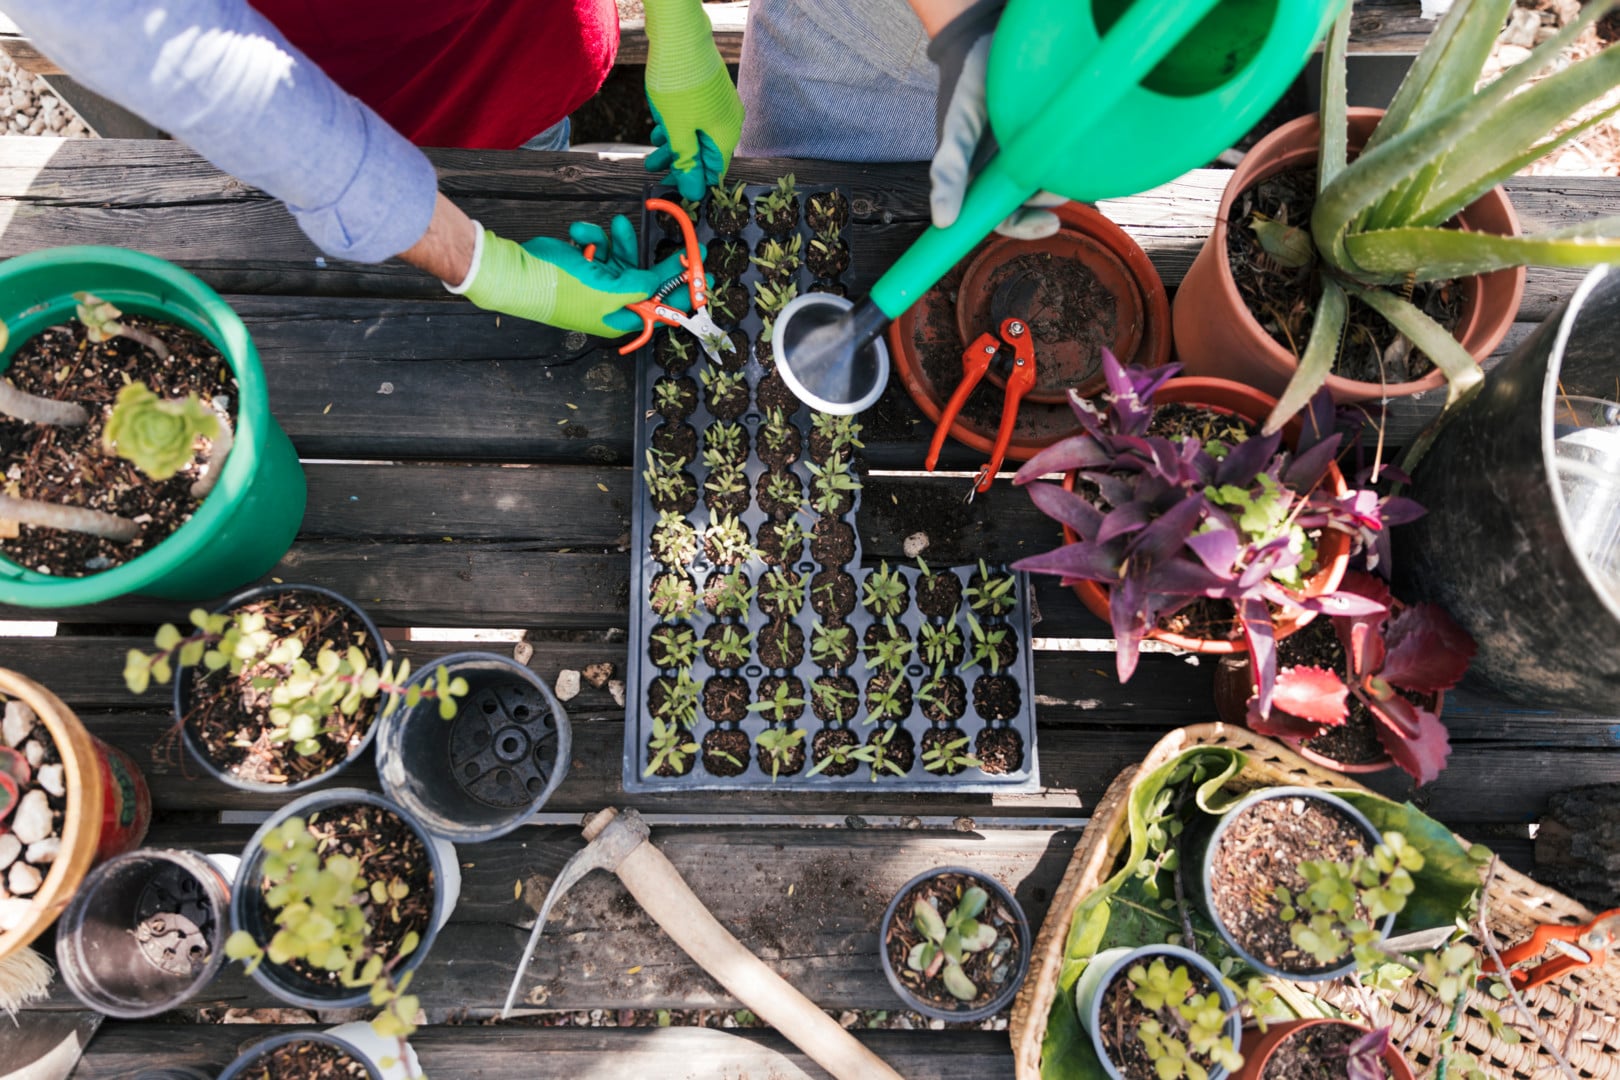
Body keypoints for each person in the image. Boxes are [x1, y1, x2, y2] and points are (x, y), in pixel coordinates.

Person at [2, 0, 1053, 339]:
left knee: (519, 112)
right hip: (316, 48)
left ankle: (531, 139)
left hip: (503, 27)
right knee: (459, 149)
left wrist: (678, 28)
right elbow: (198, 66)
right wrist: (481, 263)